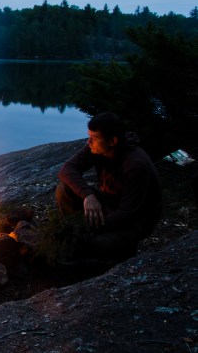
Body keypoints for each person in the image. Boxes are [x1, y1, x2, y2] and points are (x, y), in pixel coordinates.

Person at [55, 112, 162, 263]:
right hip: (111, 204)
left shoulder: (135, 165)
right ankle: (82, 235)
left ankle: (123, 249)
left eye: (94, 138)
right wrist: (88, 195)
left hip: (136, 220)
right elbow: (67, 169)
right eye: (89, 136)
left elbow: (127, 214)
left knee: (92, 246)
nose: (89, 142)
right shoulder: (97, 148)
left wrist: (89, 229)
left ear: (113, 141)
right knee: (64, 190)